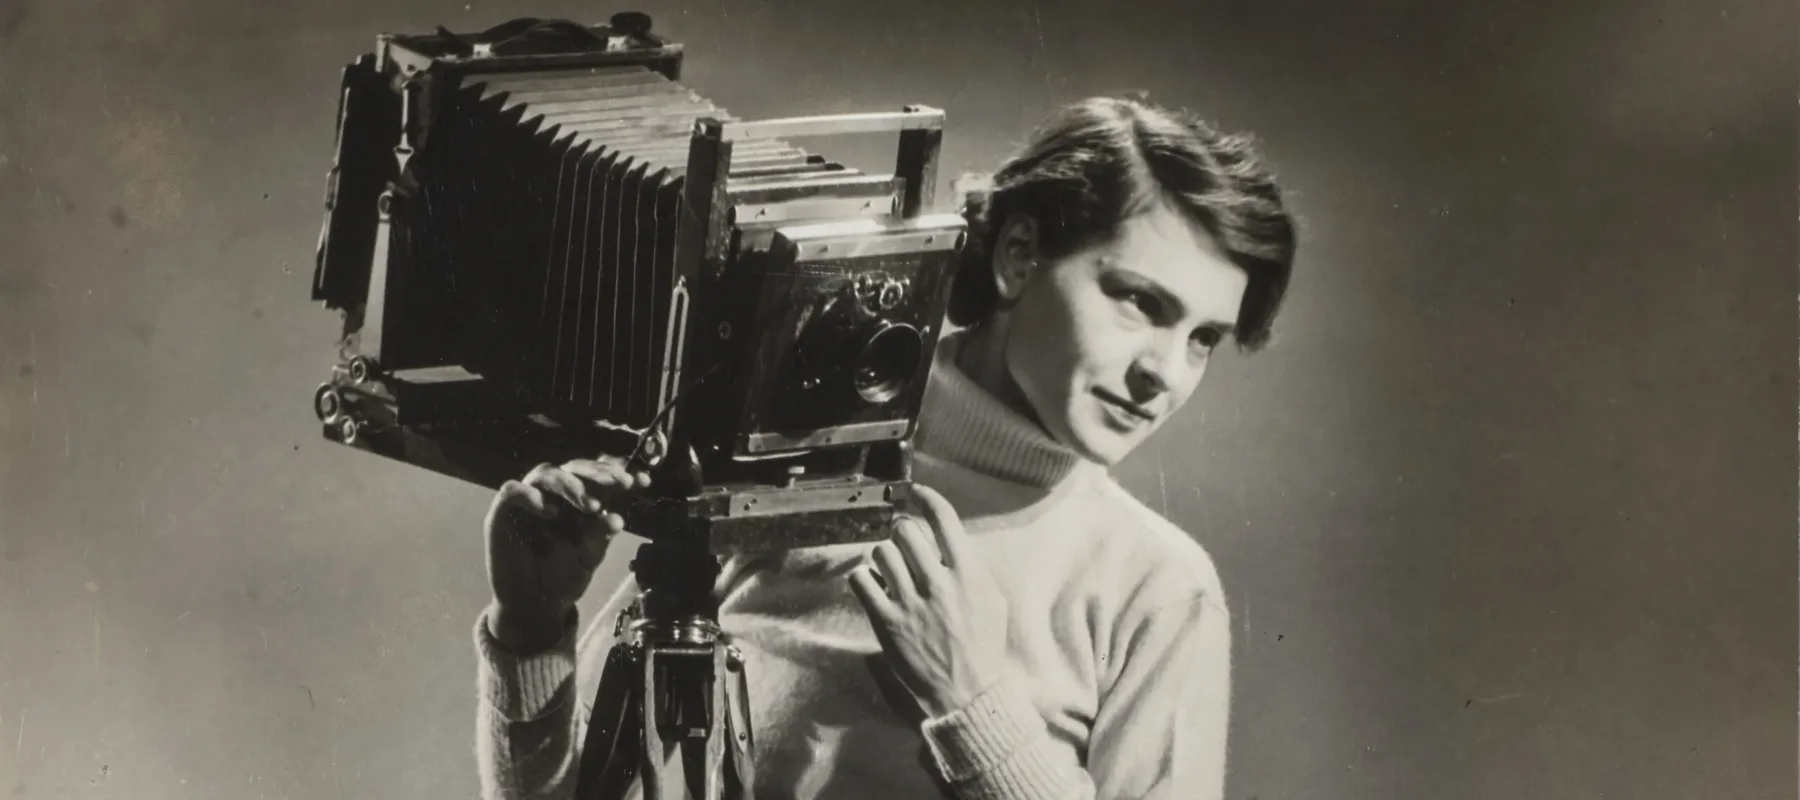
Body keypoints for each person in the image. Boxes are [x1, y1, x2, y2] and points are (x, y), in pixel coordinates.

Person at [472, 95, 1298, 800]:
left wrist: (972, 701)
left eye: (1204, 339)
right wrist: (530, 631)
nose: (1164, 372)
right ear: (1018, 257)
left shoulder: (1159, 590)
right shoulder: (779, 455)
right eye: (1139, 302)